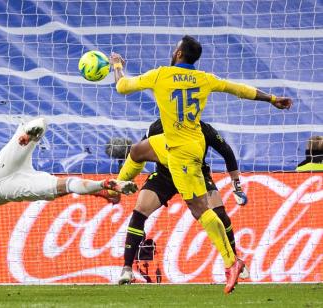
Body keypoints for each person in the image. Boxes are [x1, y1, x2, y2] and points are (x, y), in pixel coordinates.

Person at [111, 35, 293, 293]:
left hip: (183, 153)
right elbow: (238, 89)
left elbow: (121, 87)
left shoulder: (160, 75)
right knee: (139, 149)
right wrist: (272, 99)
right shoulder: (203, 78)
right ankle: (117, 187)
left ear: (177, 54)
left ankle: (231, 262)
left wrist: (117, 66)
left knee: (199, 209)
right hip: (187, 140)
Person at [0, 118, 138, 293]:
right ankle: (28, 136)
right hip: (2, 169)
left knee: (63, 186)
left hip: (14, 186)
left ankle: (102, 185)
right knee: (39, 123)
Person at [114, 119, 249, 284]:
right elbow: (140, 153)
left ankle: (234, 261)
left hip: (195, 174)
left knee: (220, 214)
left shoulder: (203, 128)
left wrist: (236, 186)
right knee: (139, 212)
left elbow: (227, 151)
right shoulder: (156, 127)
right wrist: (120, 182)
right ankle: (127, 269)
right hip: (165, 176)